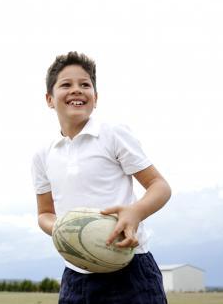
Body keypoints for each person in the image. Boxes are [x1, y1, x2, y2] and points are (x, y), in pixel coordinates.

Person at [31, 51, 172, 304]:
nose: (77, 90)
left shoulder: (112, 134)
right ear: (49, 99)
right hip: (76, 275)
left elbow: (159, 186)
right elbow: (44, 214)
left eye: (85, 85)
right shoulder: (43, 155)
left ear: (95, 98)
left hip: (129, 270)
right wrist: (63, 229)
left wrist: (135, 212)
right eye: (66, 84)